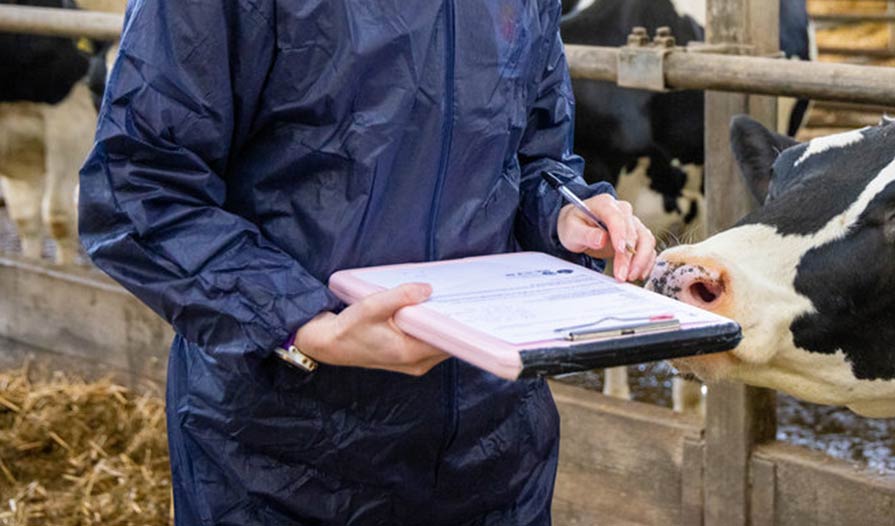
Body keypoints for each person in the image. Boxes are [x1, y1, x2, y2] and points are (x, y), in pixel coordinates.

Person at [78, 0, 656, 524]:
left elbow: (529, 157)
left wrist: (564, 213)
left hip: (493, 446)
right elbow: (141, 185)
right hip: (282, 454)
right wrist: (300, 324)